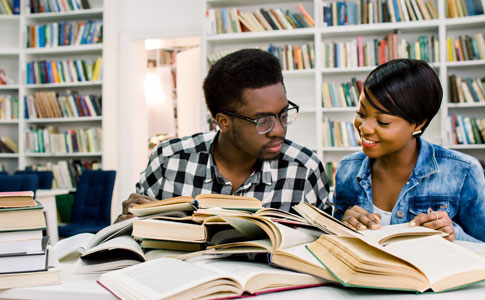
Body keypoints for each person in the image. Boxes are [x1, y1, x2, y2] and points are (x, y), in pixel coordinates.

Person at [116, 49, 330, 222]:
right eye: (263, 121)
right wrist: (125, 223)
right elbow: (130, 234)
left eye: (283, 114)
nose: (278, 130)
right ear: (223, 122)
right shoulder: (169, 160)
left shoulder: (305, 169)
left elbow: (326, 247)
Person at [332, 59, 485, 248]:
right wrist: (341, 225)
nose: (364, 128)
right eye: (361, 114)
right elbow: (337, 247)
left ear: (418, 123)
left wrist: (454, 235)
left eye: (383, 122)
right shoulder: (347, 169)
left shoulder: (463, 171)